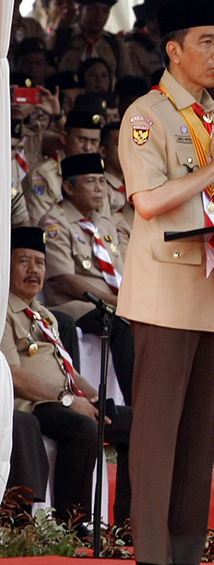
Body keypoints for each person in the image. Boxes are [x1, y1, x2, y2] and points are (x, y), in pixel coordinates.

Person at [117, 0, 214, 565]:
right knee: (156, 428)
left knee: (199, 432)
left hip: (209, 291)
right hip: (164, 291)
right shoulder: (145, 116)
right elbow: (147, 201)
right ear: (173, 50)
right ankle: (151, 559)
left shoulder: (213, 118)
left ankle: (184, 557)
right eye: (206, 41)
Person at [2, 226, 132, 527]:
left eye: (40, 262)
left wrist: (94, 398)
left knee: (134, 424)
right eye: (24, 261)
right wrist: (68, 400)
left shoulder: (44, 315)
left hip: (64, 398)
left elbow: (69, 370)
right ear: (5, 266)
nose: (34, 270)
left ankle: (129, 523)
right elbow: (13, 374)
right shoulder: (4, 312)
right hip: (34, 404)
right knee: (82, 426)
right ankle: (71, 522)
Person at [39, 153, 136, 403]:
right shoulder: (54, 223)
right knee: (122, 324)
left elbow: (121, 271)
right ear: (69, 187)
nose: (99, 188)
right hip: (74, 306)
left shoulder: (104, 224)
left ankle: (154, 399)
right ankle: (137, 404)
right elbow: (63, 280)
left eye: (102, 182)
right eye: (91, 181)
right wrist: (111, 301)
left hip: (110, 302)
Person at [50, 0, 121, 76]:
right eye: (92, 9)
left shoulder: (115, 43)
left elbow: (126, 78)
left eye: (105, 11)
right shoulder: (62, 37)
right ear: (80, 10)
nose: (99, 15)